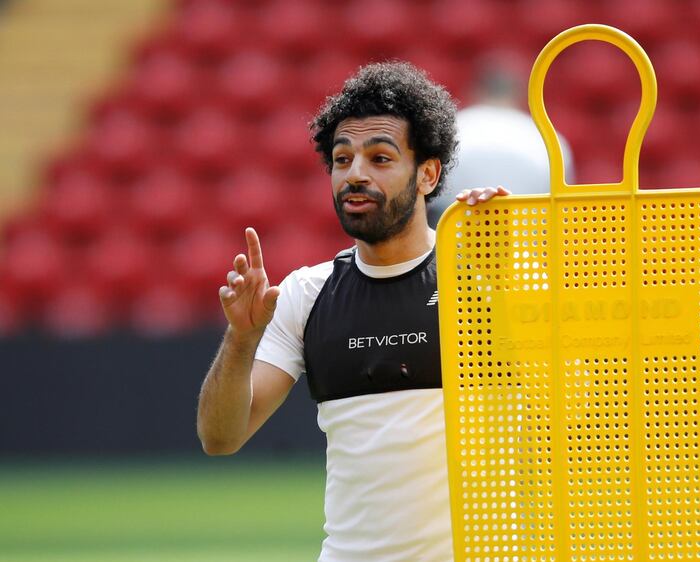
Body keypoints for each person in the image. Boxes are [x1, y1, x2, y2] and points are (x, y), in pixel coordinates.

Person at [196, 62, 509, 561]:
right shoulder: (305, 293)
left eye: (380, 158)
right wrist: (240, 339)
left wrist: (515, 274)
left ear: (428, 173)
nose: (355, 174)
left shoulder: (486, 277)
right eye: (342, 160)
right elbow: (220, 438)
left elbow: (586, 414)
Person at [426, 52, 574, 226]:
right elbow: (561, 211)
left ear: (474, 90)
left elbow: (431, 202)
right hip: (529, 247)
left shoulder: (451, 130)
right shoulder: (549, 139)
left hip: (455, 244)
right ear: (521, 94)